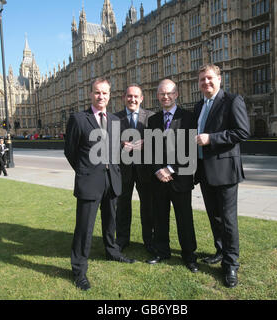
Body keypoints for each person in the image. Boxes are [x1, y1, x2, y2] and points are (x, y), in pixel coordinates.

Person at [64, 78, 135, 291]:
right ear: (90, 94)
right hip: (90, 181)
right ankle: (79, 270)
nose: (101, 96)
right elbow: (70, 151)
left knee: (111, 221)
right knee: (84, 227)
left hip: (111, 179)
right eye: (97, 93)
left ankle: (112, 252)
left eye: (104, 93)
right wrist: (85, 170)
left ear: (110, 95)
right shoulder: (79, 119)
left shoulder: (114, 120)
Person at [194, 64, 250, 288]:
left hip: (225, 171)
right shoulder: (199, 105)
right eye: (201, 80)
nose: (206, 83)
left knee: (228, 220)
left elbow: (242, 132)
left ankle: (231, 264)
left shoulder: (232, 100)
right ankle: (220, 251)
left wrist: (211, 138)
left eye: (209, 79)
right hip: (205, 170)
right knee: (214, 217)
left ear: (219, 79)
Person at [146, 79, 199, 273]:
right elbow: (150, 151)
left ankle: (189, 255)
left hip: (180, 178)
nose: (165, 96)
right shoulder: (152, 120)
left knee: (184, 218)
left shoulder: (188, 117)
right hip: (159, 179)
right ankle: (162, 251)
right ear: (157, 96)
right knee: (160, 217)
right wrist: (158, 170)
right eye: (161, 93)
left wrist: (170, 168)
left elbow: (190, 149)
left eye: (168, 93)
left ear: (176, 94)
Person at [114, 84, 155, 254]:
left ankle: (149, 240)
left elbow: (159, 143)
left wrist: (146, 143)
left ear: (141, 98)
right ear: (124, 98)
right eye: (129, 96)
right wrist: (121, 144)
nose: (132, 99)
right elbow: (108, 144)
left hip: (145, 170)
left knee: (148, 206)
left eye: (136, 96)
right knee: (122, 206)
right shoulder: (115, 118)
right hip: (123, 170)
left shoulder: (151, 117)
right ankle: (122, 239)